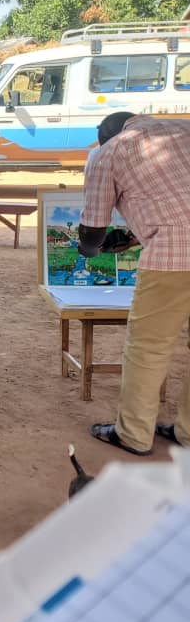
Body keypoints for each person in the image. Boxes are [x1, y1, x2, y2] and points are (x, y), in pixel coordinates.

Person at [77, 117, 190, 456]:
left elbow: (93, 227)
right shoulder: (182, 130)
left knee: (149, 347)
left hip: (175, 256)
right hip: (174, 241)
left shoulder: (107, 153)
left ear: (103, 137)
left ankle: (133, 434)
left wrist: (90, 248)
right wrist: (131, 237)